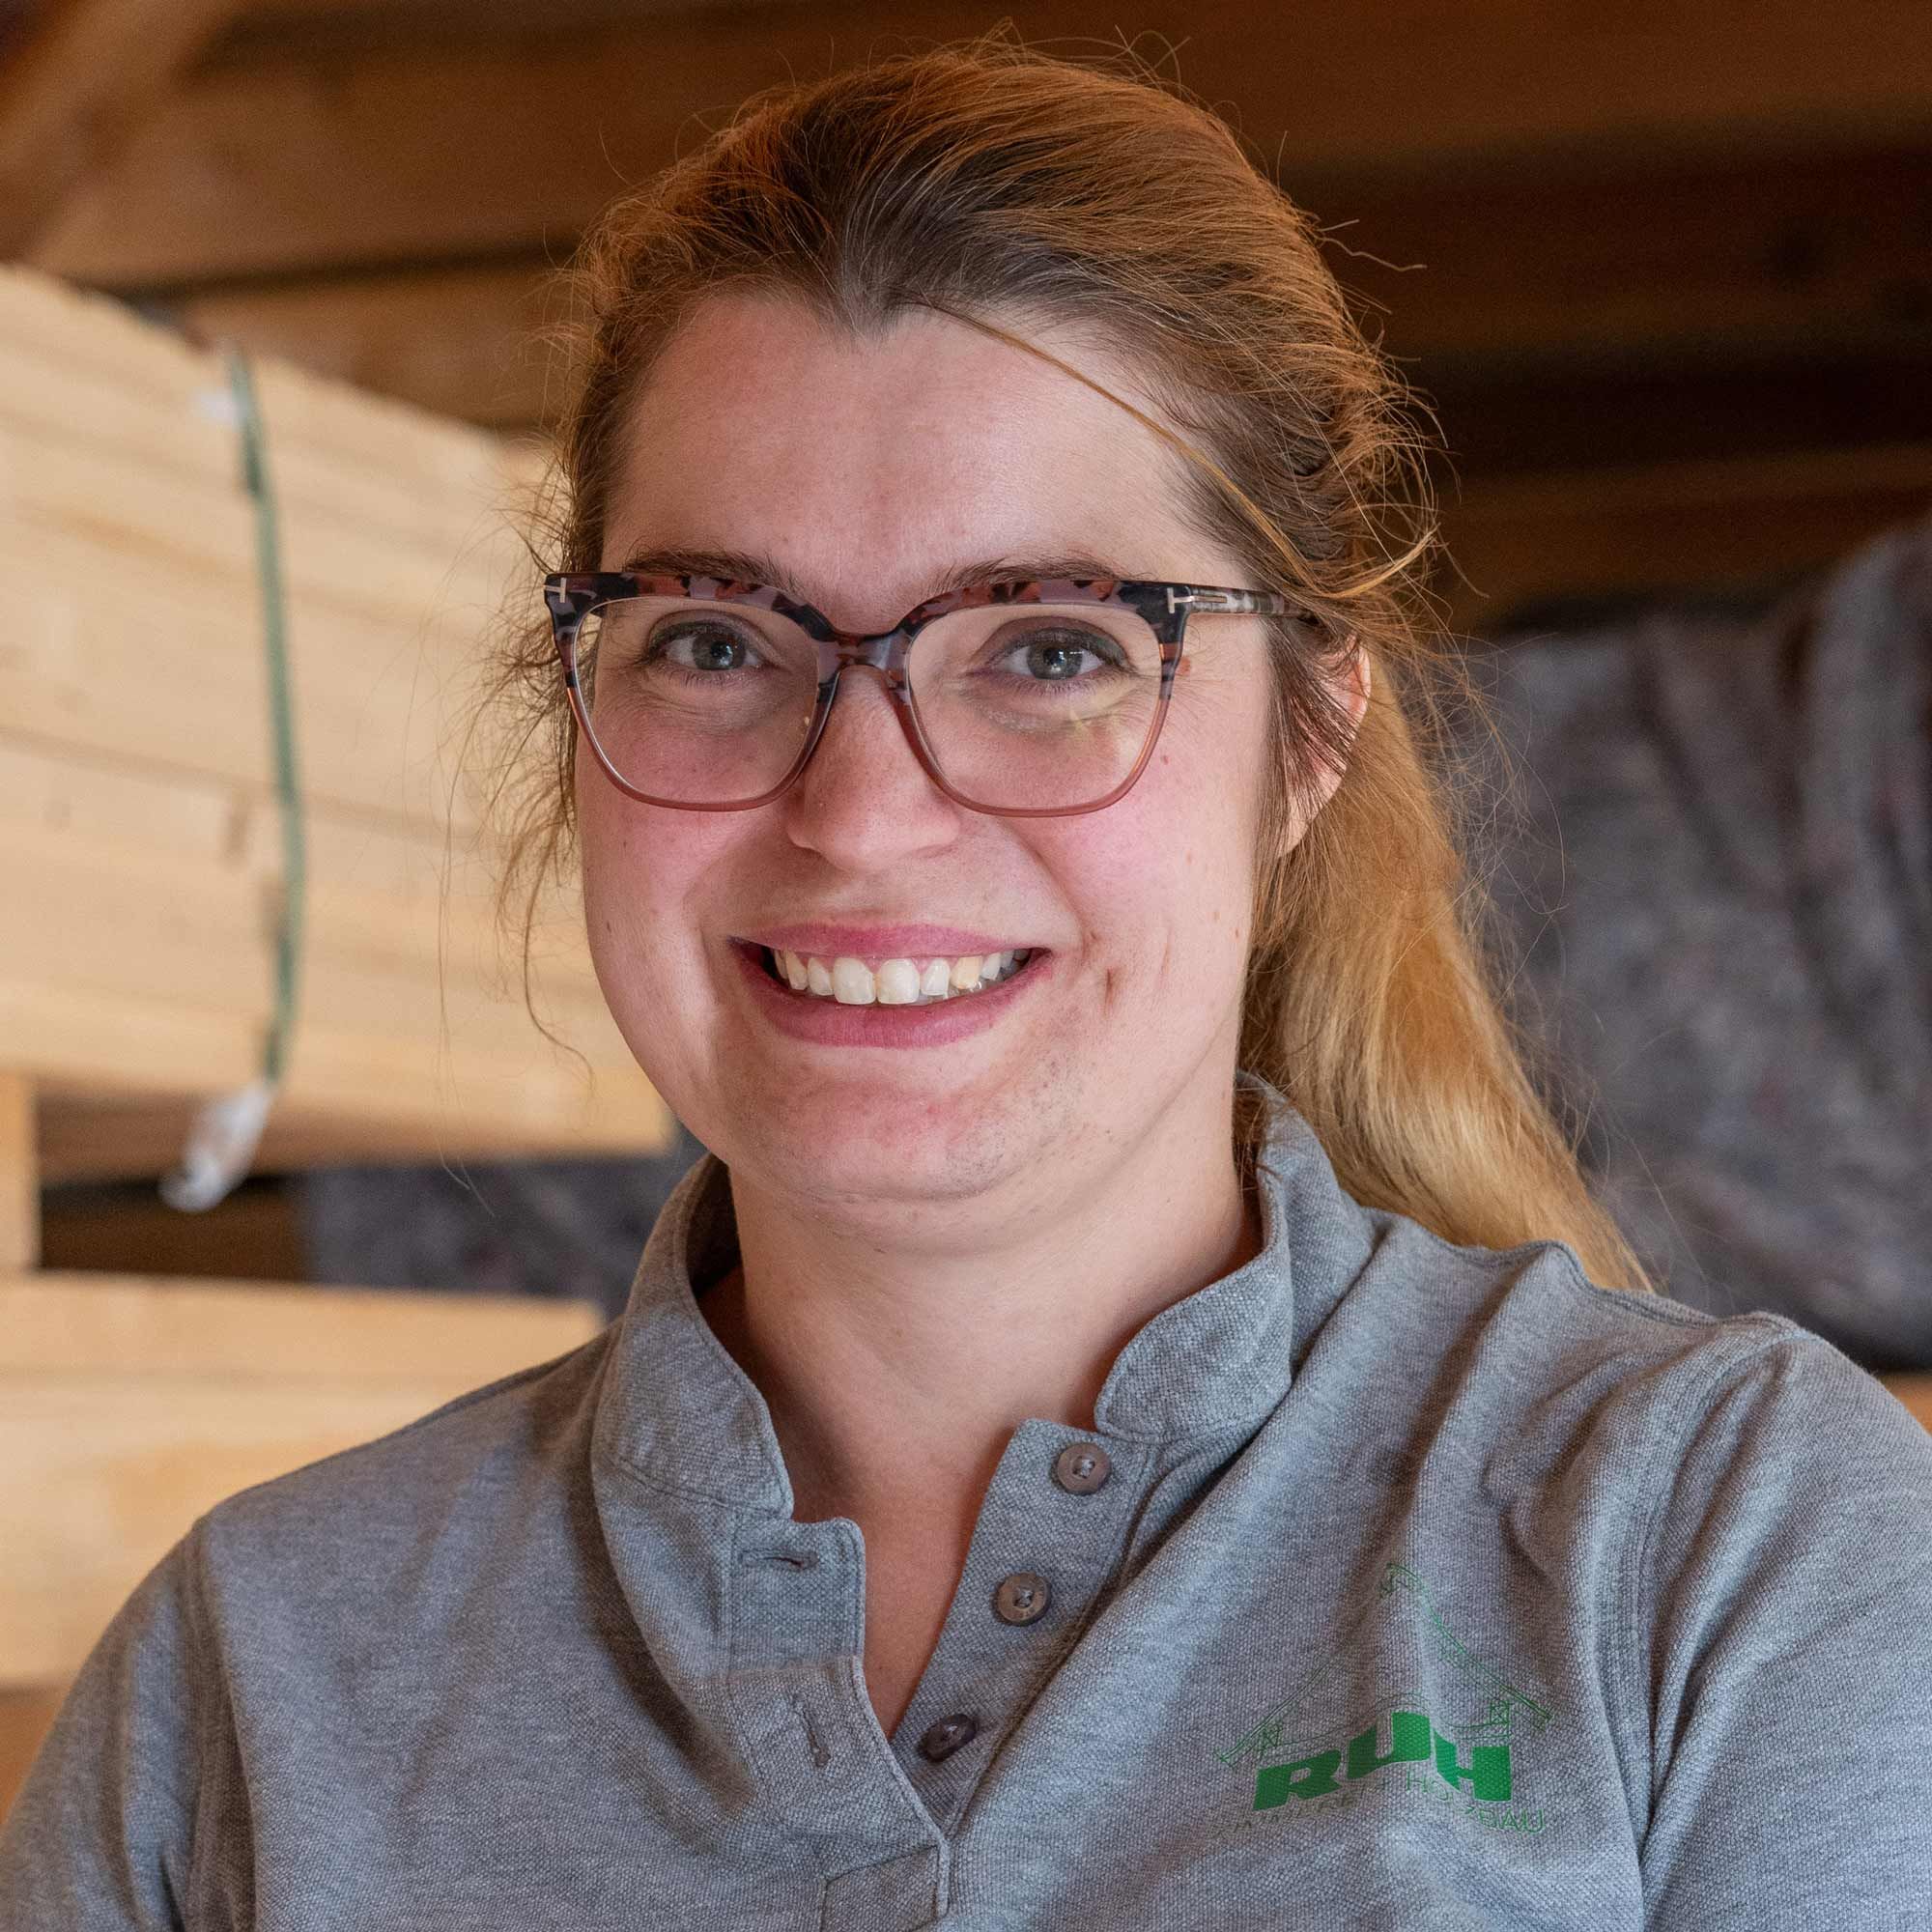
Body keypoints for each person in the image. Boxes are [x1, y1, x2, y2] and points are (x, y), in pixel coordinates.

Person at [5, 30, 1930, 1929]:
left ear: (1308, 745)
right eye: (714, 641)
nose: (859, 815)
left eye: (1050, 647)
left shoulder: (1714, 1543)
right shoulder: (250, 1686)